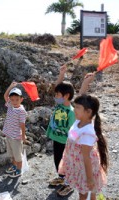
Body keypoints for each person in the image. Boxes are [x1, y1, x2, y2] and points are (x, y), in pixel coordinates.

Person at [58, 94, 108, 200]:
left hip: (86, 168)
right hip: (78, 164)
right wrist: (85, 82)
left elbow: (87, 157)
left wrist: (90, 179)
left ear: (88, 112)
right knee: (85, 193)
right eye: (74, 106)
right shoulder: (79, 120)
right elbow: (81, 95)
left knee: (85, 194)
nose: (74, 109)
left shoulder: (87, 133)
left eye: (77, 107)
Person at [46, 65, 76, 195]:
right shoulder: (59, 104)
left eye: (58, 94)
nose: (55, 96)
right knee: (57, 160)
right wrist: (62, 74)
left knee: (67, 162)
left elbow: (74, 130)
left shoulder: (72, 112)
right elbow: (58, 85)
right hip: (57, 138)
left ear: (66, 96)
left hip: (66, 142)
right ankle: (61, 178)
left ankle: (69, 184)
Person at [2, 82, 27, 178]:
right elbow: (5, 95)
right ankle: (14, 166)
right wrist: (11, 86)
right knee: (12, 154)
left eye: (17, 99)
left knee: (18, 156)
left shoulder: (21, 111)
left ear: (21, 99)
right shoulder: (10, 105)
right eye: (12, 99)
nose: (14, 101)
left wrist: (23, 135)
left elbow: (22, 124)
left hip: (16, 137)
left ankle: (19, 170)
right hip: (9, 135)